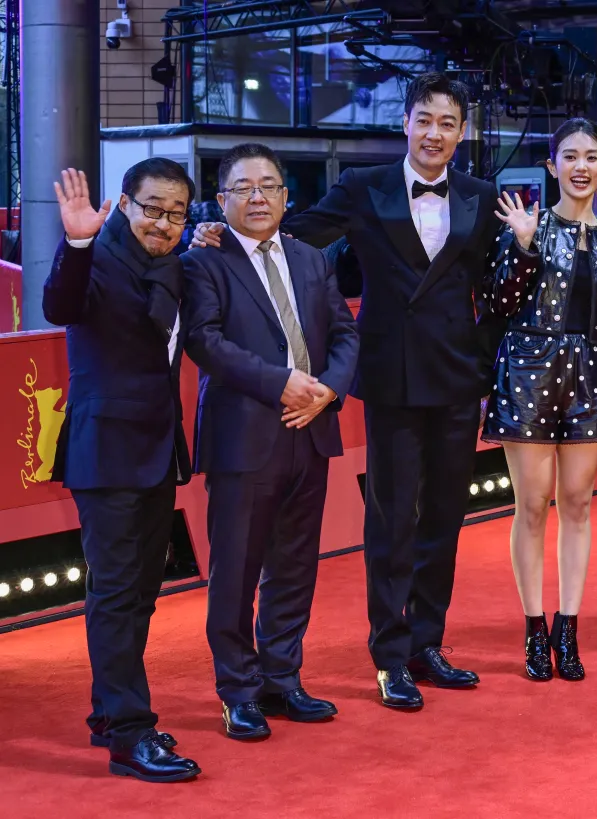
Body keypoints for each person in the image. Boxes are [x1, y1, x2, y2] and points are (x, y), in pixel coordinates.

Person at [191, 73, 501, 710]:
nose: (434, 133)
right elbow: (289, 230)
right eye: (424, 120)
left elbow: (496, 292)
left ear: (461, 131)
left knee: (445, 517)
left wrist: (486, 362)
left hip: (456, 377)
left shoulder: (480, 195)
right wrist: (215, 231)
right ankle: (390, 657)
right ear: (406, 124)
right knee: (391, 521)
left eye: (447, 123)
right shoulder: (364, 187)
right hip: (391, 377)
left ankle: (426, 642)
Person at [182, 143, 359, 738]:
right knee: (234, 571)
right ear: (221, 199)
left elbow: (344, 333)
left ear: (287, 196)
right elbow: (204, 342)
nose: (258, 197)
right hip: (244, 434)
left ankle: (284, 680)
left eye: (269, 186)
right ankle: (238, 690)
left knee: (294, 565)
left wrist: (328, 391)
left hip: (311, 430)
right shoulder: (203, 261)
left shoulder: (313, 258)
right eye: (244, 187)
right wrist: (283, 384)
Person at [482, 118, 597, 681]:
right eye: (570, 156)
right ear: (551, 165)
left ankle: (569, 627)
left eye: (592, 158)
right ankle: (534, 629)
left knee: (578, 504)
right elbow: (500, 303)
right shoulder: (521, 227)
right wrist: (525, 245)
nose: (581, 167)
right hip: (528, 370)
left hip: (586, 373)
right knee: (532, 505)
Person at [43, 161, 200, 782]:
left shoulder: (176, 266)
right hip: (105, 449)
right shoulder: (95, 256)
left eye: (176, 213)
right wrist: (78, 239)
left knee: (139, 592)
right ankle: (132, 734)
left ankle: (109, 711)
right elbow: (60, 305)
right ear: (125, 205)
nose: (163, 223)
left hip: (159, 449)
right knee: (115, 591)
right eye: (152, 209)